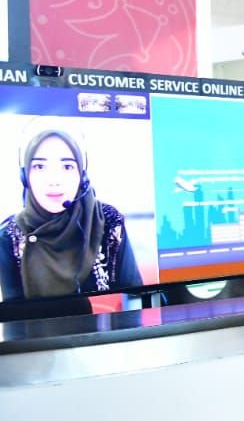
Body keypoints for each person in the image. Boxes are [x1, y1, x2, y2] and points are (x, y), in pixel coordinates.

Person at [1, 126, 142, 302]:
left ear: (82, 175)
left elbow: (136, 298)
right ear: (25, 175)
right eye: (39, 166)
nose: (54, 181)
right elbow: (13, 315)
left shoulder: (107, 221)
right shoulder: (9, 236)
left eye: (67, 166)